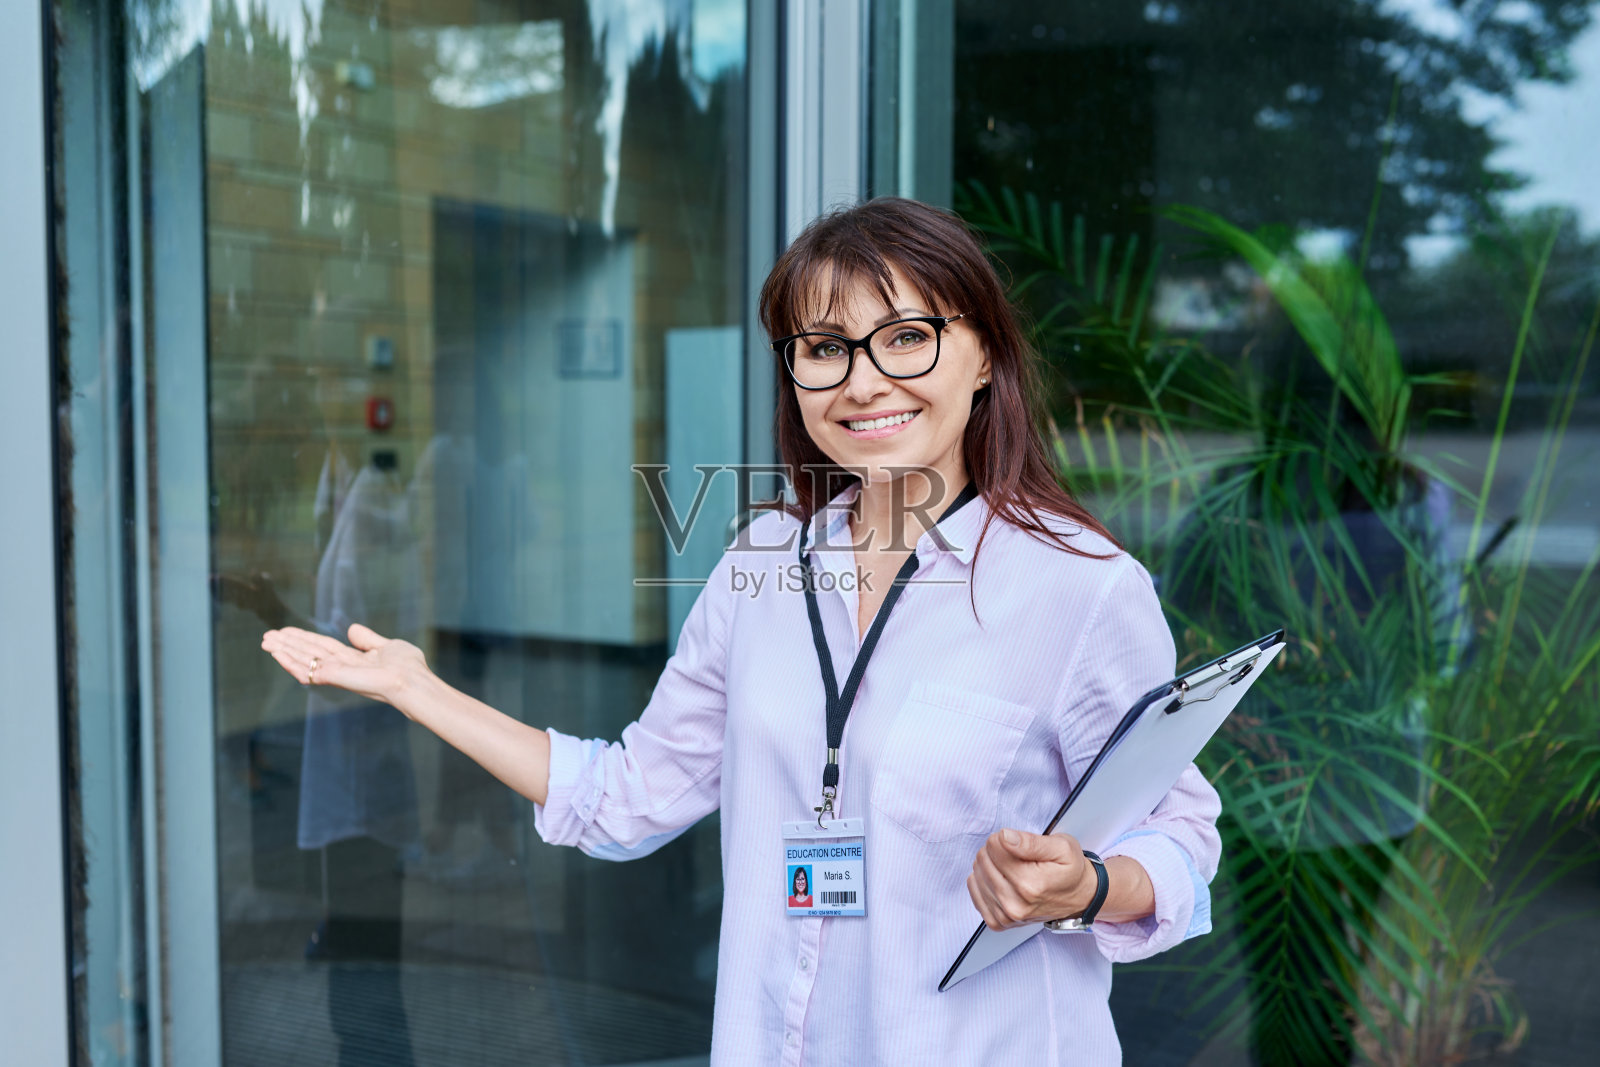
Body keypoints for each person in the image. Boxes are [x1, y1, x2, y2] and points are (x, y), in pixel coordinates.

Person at [261, 197, 1222, 1064]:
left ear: (985, 358)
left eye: (907, 336)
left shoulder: (1078, 588)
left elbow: (1182, 837)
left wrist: (1091, 886)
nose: (863, 379)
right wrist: (414, 688)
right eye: (824, 348)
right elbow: (624, 796)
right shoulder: (763, 561)